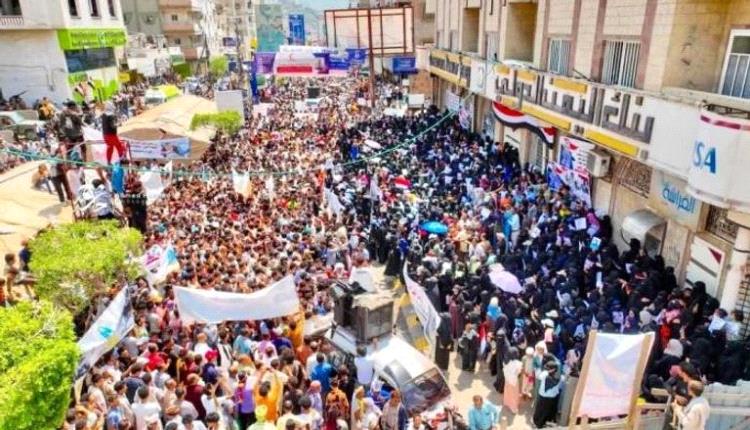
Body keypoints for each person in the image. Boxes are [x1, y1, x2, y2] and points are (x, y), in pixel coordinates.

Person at [533, 361, 562, 428]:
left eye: (548, 368)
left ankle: (538, 423)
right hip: (550, 396)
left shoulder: (545, 374)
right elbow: (559, 387)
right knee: (545, 411)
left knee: (541, 410)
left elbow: (539, 376)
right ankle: (540, 423)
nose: (546, 369)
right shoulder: (557, 376)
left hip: (544, 395)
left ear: (553, 369)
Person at [502, 347, 523, 414]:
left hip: (507, 380)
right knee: (514, 394)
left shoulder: (505, 361)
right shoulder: (518, 363)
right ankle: (513, 408)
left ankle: (507, 403)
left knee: (508, 392)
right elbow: (518, 372)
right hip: (514, 381)